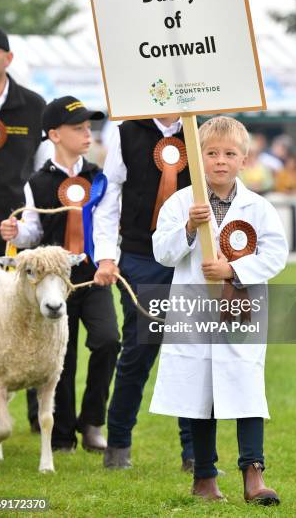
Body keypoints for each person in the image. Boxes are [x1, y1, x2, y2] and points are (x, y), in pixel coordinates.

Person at [150, 116, 288, 504]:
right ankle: (205, 476)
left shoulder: (258, 207)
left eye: (230, 154)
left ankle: (253, 473)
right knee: (199, 391)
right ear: (197, 158)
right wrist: (190, 231)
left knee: (246, 386)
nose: (220, 161)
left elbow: (276, 254)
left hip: (241, 311)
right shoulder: (181, 203)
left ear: (244, 160)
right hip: (194, 309)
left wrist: (233, 269)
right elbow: (162, 251)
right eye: (211, 153)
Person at [0, 96, 120, 452]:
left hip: (92, 276)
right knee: (61, 358)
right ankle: (63, 432)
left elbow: (106, 225)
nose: (88, 134)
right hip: (53, 282)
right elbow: (33, 232)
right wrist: (15, 233)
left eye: (89, 127)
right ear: (54, 134)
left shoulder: (99, 178)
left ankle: (94, 421)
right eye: (78, 128)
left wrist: (107, 261)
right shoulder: (35, 183)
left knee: (108, 339)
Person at [93, 116, 195, 470]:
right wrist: (107, 254)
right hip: (139, 256)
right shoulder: (125, 132)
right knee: (139, 349)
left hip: (189, 256)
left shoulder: (201, 127)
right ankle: (118, 445)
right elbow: (108, 198)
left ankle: (195, 455)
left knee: (190, 352)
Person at [0, 24, 48, 434]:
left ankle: (38, 418)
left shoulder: (34, 106)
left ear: (7, 58)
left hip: (14, 235)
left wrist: (32, 225)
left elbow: (42, 173)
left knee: (20, 323)